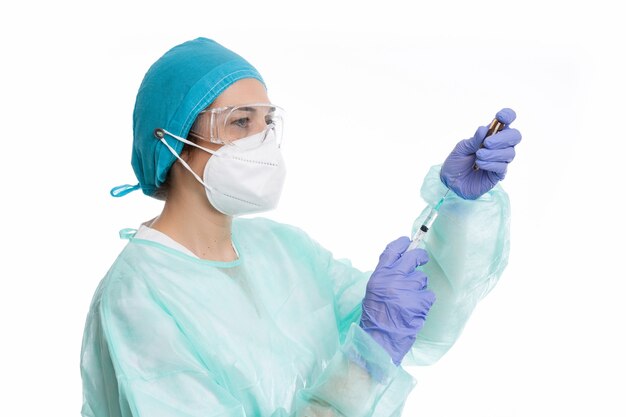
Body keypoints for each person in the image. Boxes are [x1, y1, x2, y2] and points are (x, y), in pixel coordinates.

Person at [80, 37, 522, 417]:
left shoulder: (282, 251)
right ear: (169, 138)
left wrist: (459, 209)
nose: (263, 140)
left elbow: (422, 324)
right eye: (240, 122)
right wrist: (365, 357)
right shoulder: (138, 297)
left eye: (267, 122)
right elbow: (374, 347)